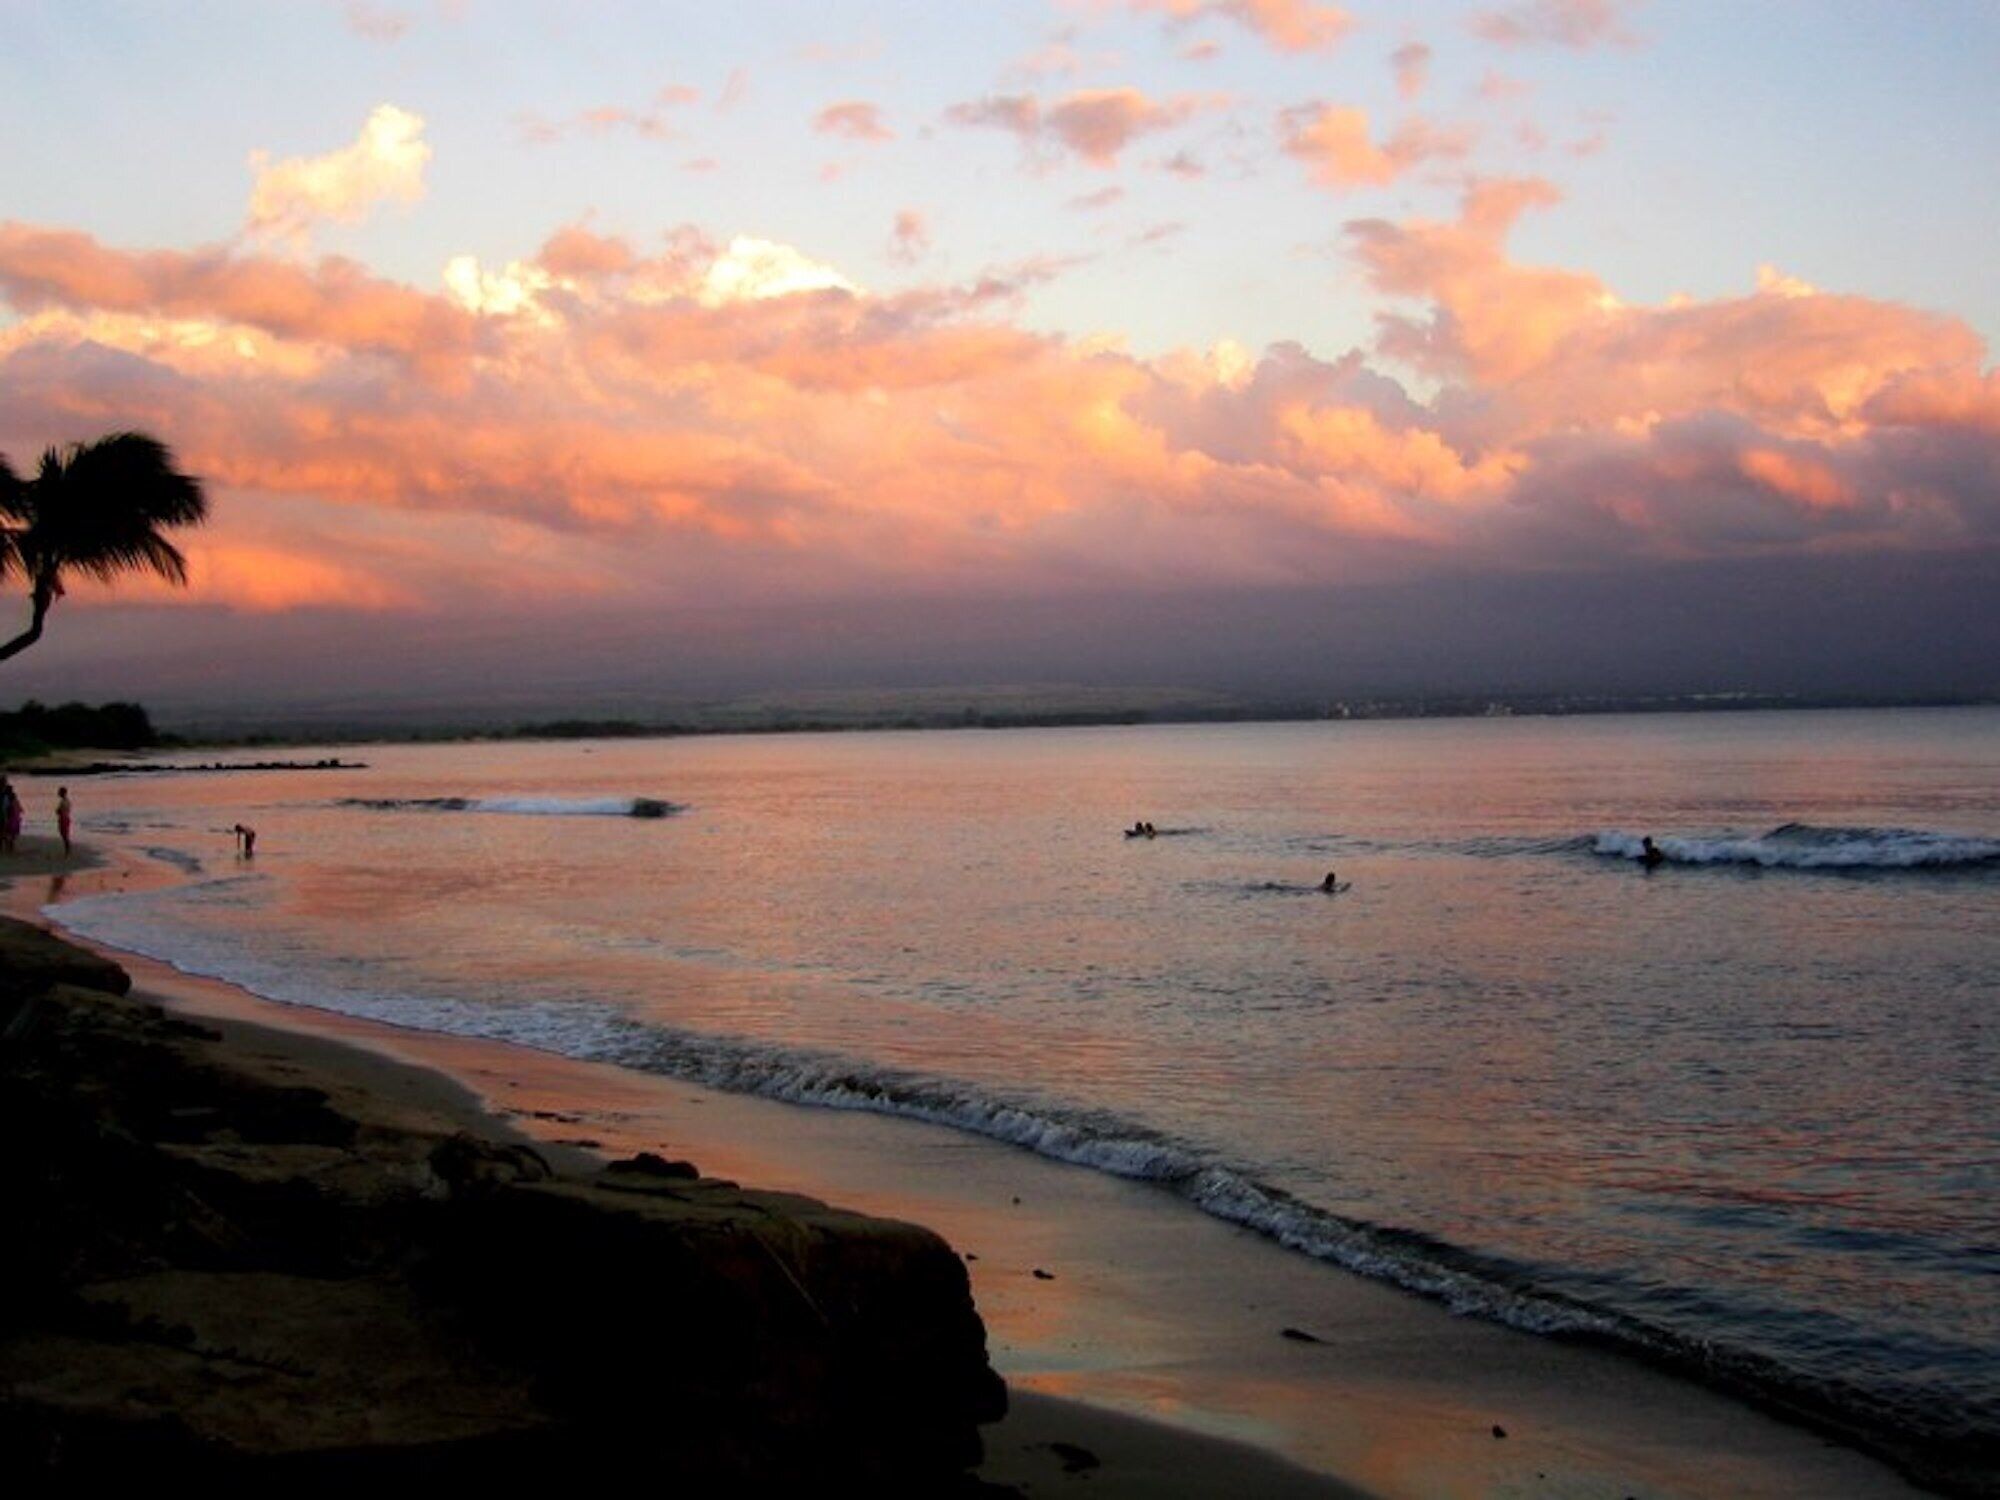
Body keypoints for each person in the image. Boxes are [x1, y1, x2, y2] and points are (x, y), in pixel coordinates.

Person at [0, 780, 19, 854]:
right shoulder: (7, 796)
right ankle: (9, 848)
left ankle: (7, 848)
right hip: (7, 817)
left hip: (7, 817)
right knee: (8, 834)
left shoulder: (6, 796)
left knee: (5, 833)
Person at [55, 786, 72, 857]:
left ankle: (67, 851)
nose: (58, 793)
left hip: (63, 819)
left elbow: (58, 811)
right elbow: (68, 810)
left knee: (64, 835)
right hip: (67, 818)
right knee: (65, 835)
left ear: (62, 793)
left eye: (59, 792)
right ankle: (67, 850)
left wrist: (58, 811)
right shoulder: (68, 801)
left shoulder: (63, 802)